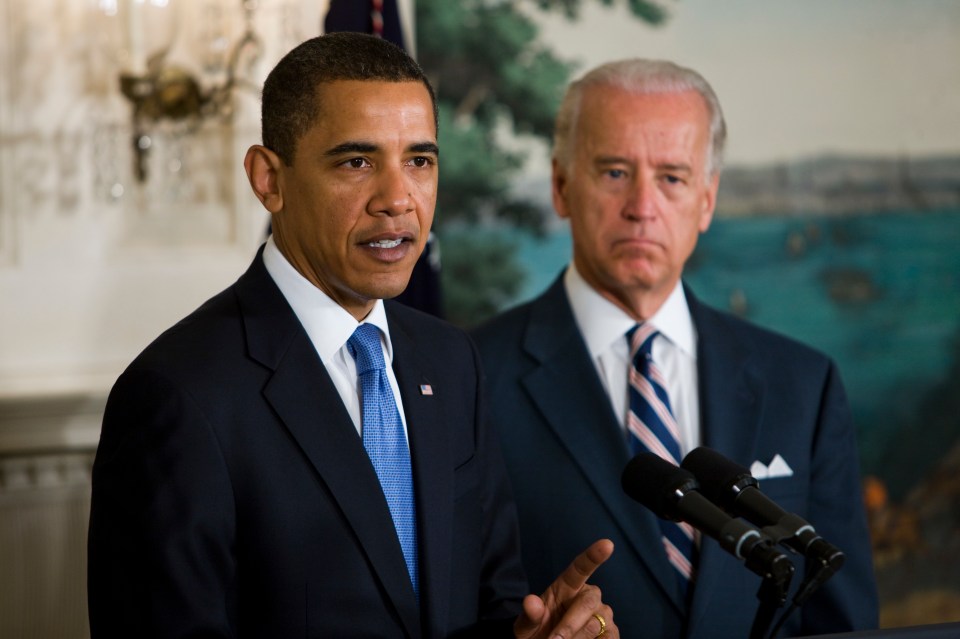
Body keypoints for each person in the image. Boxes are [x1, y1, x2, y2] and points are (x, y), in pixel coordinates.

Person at [87, 32, 618, 639]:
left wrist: (533, 636)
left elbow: (487, 603)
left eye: (419, 161)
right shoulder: (178, 396)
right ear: (269, 179)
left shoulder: (450, 361)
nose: (397, 199)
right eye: (356, 162)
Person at [471, 59, 879, 639]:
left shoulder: (803, 384)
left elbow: (841, 619)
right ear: (561, 186)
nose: (642, 206)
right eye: (614, 172)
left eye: (672, 177)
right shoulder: (470, 375)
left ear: (707, 199)